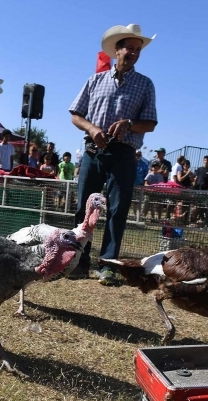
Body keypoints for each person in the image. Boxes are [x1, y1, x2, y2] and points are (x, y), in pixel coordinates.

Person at [68, 23, 157, 285]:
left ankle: (107, 265)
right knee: (83, 208)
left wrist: (129, 124)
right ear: (116, 51)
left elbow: (150, 123)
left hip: (124, 153)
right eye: (129, 48)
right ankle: (78, 261)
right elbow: (76, 114)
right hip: (93, 150)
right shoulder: (94, 81)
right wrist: (92, 128)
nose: (133, 53)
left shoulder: (145, 84)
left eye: (137, 50)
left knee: (118, 210)